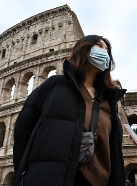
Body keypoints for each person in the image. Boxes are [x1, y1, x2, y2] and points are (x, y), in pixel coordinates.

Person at [13, 35, 126, 186]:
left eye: (107, 51)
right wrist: (26, 174)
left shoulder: (109, 101)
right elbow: (23, 130)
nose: (104, 53)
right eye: (99, 46)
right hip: (51, 177)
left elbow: (113, 151)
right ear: (83, 49)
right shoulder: (54, 86)